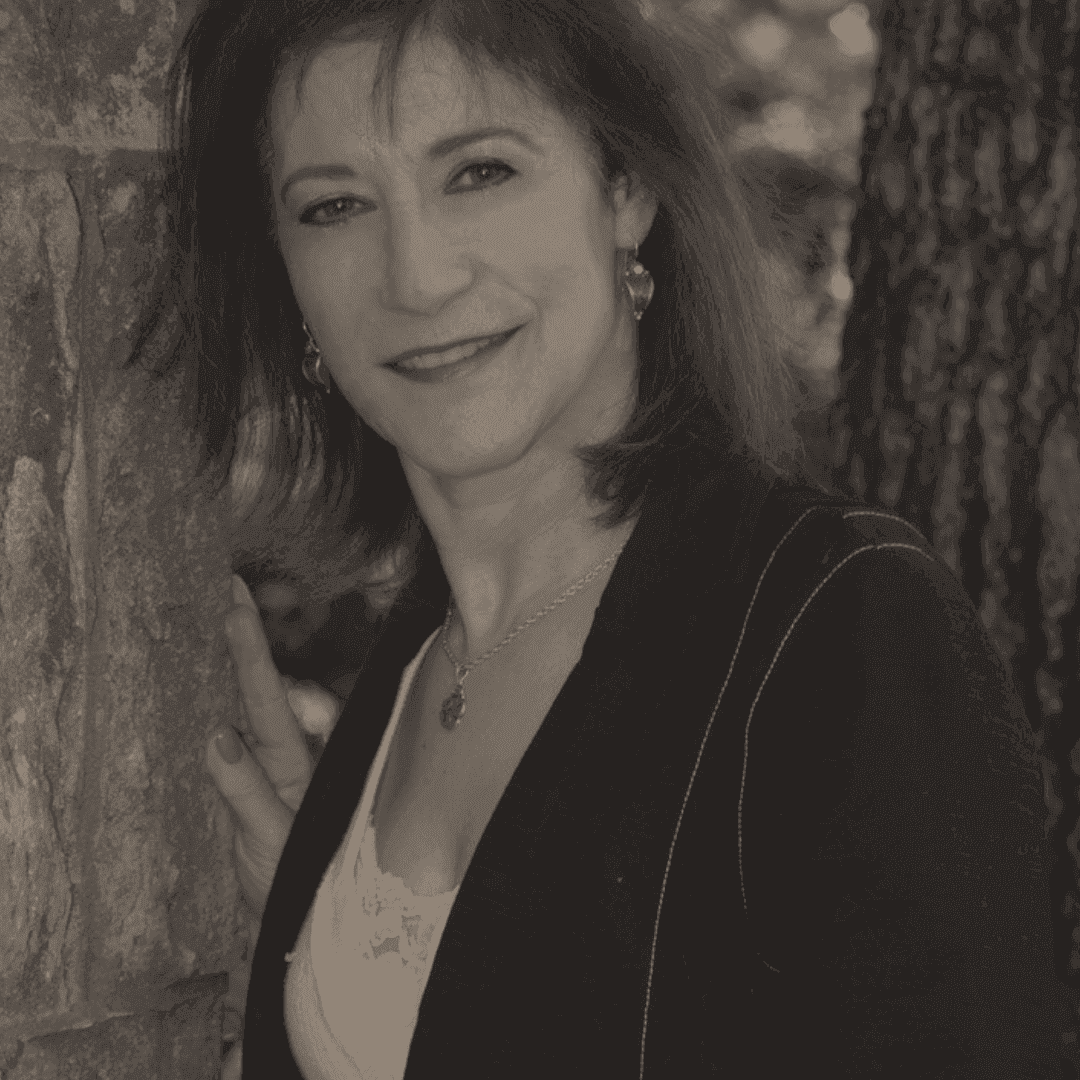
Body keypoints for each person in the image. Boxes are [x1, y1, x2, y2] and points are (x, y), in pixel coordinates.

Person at [127, 0, 1078, 1076]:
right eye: (335, 205)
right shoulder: (413, 672)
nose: (417, 276)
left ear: (626, 190)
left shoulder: (838, 625)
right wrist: (314, 965)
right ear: (289, 272)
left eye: (480, 171)